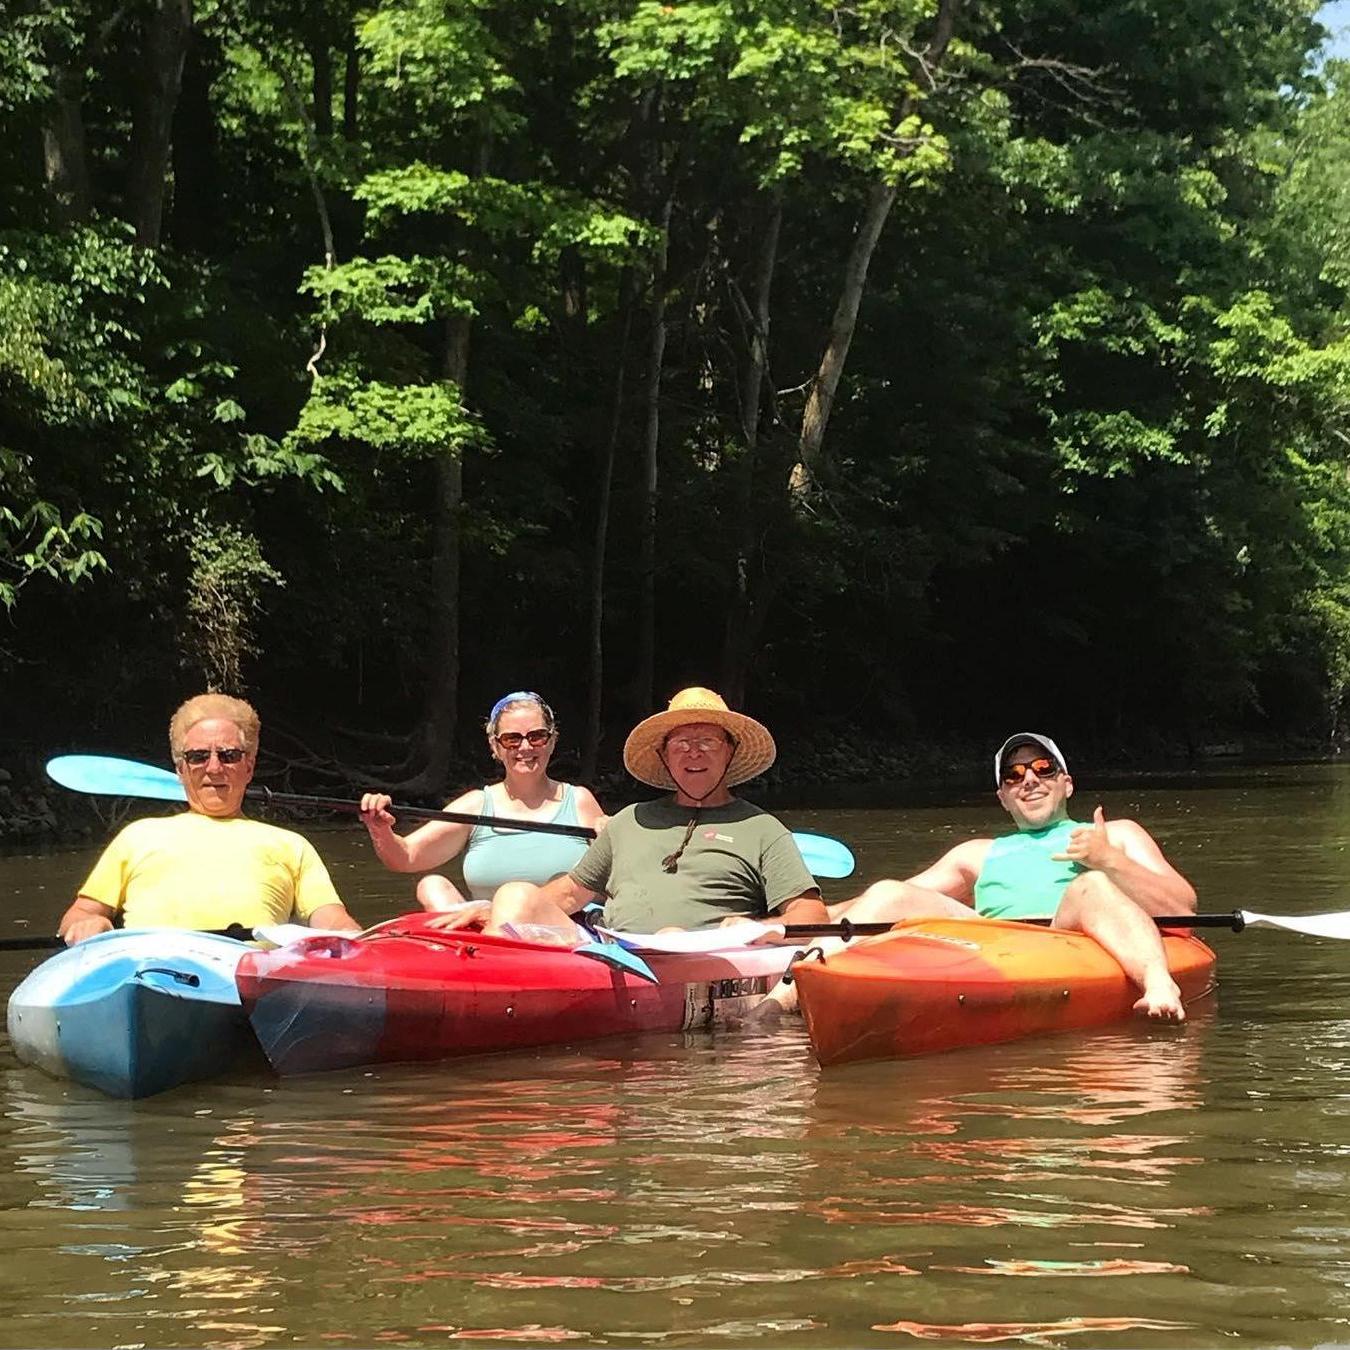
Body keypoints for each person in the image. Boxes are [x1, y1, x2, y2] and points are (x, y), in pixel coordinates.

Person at [780, 732, 1197, 1020]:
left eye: (1042, 768)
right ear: (1003, 797)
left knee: (1090, 884)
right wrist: (778, 927)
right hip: (994, 943)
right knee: (890, 889)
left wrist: (1109, 860)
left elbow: (1183, 908)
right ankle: (785, 996)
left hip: (1070, 936)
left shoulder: (1116, 834)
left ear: (1066, 784)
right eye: (1013, 776)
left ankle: (1158, 983)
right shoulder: (977, 853)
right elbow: (873, 905)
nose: (1029, 780)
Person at [431, 686, 831, 939]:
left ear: (730, 752)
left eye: (707, 741)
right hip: (614, 953)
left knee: (673, 935)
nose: (693, 752)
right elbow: (570, 892)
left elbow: (811, 914)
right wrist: (493, 908)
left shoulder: (762, 828)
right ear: (664, 755)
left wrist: (760, 928)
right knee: (514, 893)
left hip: (703, 954)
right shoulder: (628, 821)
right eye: (680, 743)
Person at [57, 693, 362, 945]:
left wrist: (353, 936)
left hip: (249, 977)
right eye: (198, 756)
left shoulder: (292, 845)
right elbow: (80, 912)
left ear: (249, 767)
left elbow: (330, 916)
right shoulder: (137, 836)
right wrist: (89, 923)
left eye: (229, 755)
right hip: (149, 969)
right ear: (181, 769)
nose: (214, 768)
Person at [359, 691, 606, 911]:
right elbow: (405, 857)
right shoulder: (475, 805)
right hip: (489, 936)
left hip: (565, 931)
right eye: (512, 739)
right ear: (495, 746)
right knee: (432, 886)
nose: (525, 747)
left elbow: (615, 873)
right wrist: (380, 829)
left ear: (551, 741)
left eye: (537, 736)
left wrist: (618, 835)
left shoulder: (579, 800)